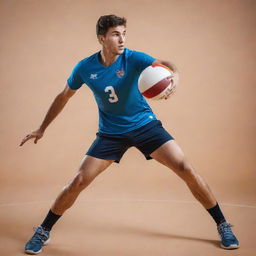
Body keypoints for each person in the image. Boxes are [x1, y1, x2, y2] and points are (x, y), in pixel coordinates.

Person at [20, 14, 239, 255]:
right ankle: (43, 230)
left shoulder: (134, 58)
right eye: (115, 34)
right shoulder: (85, 67)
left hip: (145, 126)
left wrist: (174, 76)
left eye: (124, 33)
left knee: (185, 168)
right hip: (111, 133)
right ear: (101, 38)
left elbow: (165, 64)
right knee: (78, 181)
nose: (122, 39)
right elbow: (63, 96)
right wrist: (42, 127)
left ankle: (223, 225)